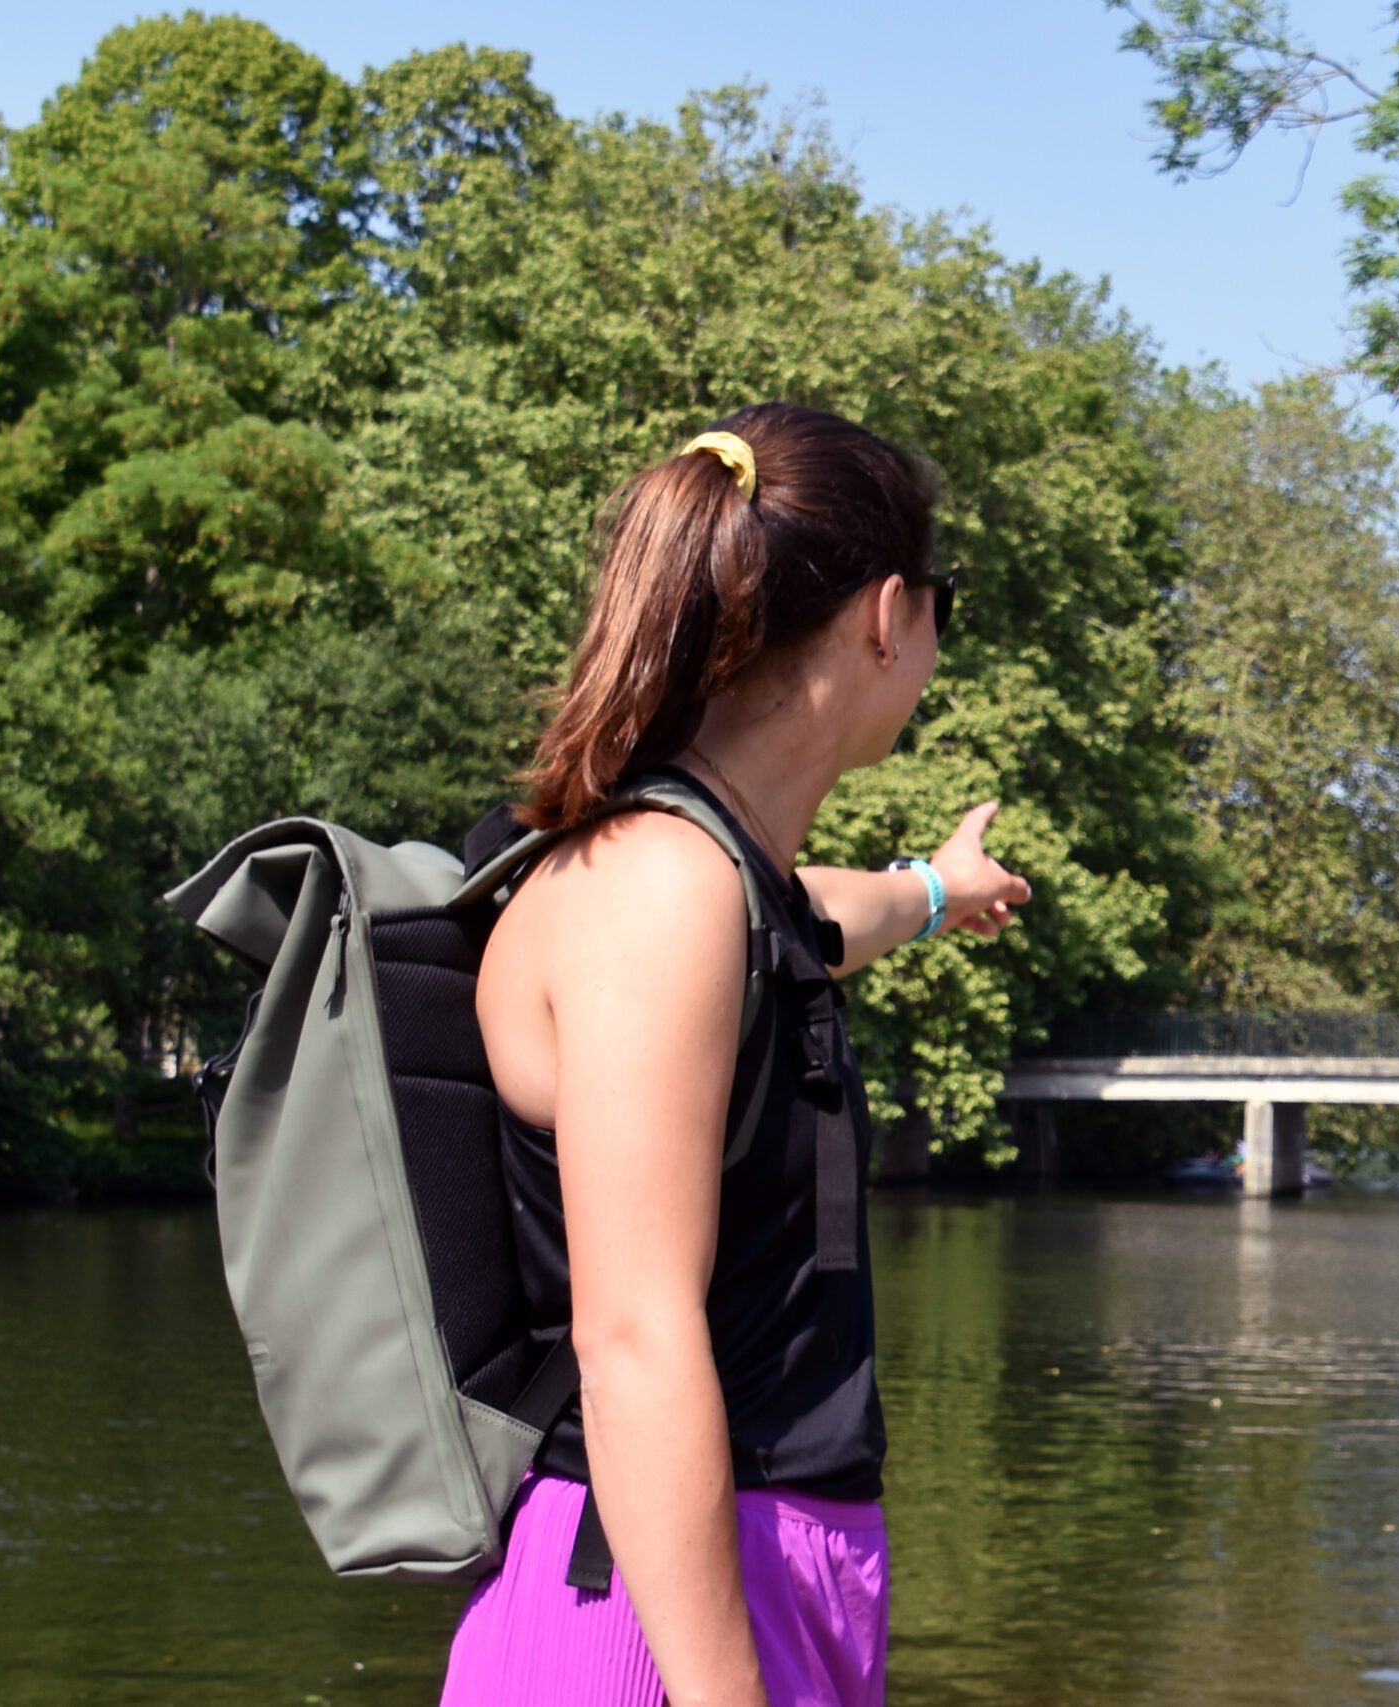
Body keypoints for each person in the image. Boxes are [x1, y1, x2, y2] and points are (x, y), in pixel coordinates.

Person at [441, 404, 1032, 1707]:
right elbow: (636, 1332)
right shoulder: (660, 889)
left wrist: (937, 887)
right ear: (888, 614)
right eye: (945, 604)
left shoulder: (724, 881)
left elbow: (826, 917)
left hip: (760, 1571)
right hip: (654, 1603)